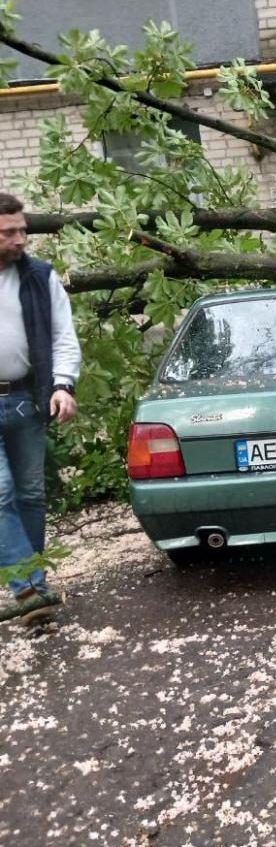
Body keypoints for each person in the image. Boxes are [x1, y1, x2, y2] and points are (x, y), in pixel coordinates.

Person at [0, 192, 81, 618]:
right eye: (8, 232)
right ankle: (28, 589)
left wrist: (63, 386)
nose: (19, 239)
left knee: (31, 494)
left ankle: (35, 588)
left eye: (22, 231)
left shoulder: (39, 277)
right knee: (1, 493)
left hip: (26, 399)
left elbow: (64, 337)